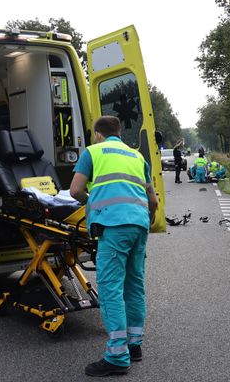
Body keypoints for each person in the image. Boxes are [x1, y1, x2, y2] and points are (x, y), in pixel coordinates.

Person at [70, 116, 158, 377]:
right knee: (134, 285)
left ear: (98, 134)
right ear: (119, 133)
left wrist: (94, 202)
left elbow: (75, 191)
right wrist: (145, 221)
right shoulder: (137, 157)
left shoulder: (93, 152)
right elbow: (152, 201)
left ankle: (118, 356)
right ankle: (134, 345)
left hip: (114, 226)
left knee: (110, 289)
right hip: (139, 226)